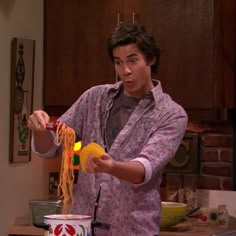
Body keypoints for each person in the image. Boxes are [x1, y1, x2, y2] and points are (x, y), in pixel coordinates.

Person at [28, 23, 188, 236]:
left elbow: (144, 169)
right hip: (82, 228)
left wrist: (111, 167)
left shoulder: (171, 114)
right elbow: (52, 147)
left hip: (132, 230)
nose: (125, 71)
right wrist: (40, 130)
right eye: (118, 62)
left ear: (151, 59)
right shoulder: (94, 98)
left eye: (133, 60)